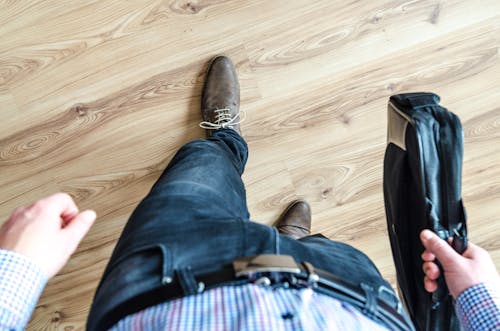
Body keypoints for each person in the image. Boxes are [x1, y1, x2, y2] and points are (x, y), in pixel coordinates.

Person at [0, 56, 498, 331]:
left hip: (169, 281)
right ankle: (287, 232)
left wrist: (18, 267)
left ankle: (223, 143)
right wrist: (480, 301)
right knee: (317, 243)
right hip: (353, 296)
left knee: (196, 170)